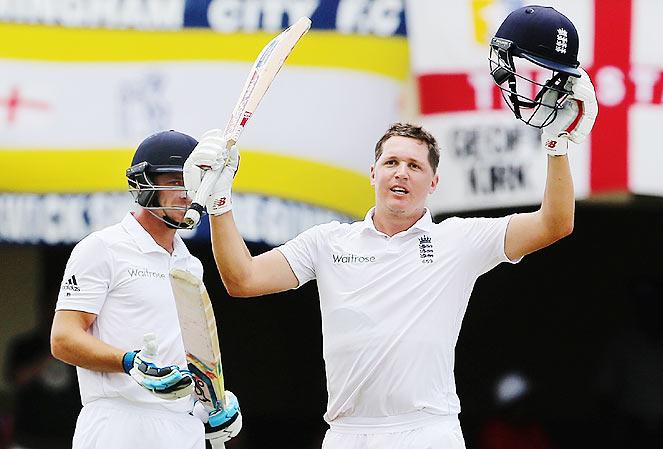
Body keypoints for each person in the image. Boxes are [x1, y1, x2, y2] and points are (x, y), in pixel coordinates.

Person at [184, 5, 597, 449]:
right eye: (392, 162)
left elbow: (555, 223)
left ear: (433, 182)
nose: (401, 173)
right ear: (373, 173)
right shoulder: (327, 242)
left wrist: (556, 146)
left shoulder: (458, 239)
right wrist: (220, 203)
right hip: (347, 434)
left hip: (429, 431)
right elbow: (242, 280)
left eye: (415, 166)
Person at [49, 130, 242, 449]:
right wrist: (129, 362)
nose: (186, 194)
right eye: (175, 182)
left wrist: (212, 400)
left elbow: (189, 357)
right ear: (143, 185)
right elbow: (63, 339)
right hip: (119, 424)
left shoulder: (190, 264)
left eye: (193, 182)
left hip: (183, 427)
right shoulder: (102, 248)